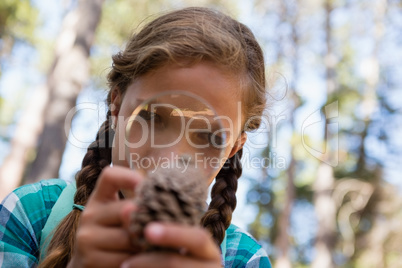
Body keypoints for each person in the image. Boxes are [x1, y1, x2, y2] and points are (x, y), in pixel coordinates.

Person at [0, 7, 271, 268]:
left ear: (233, 149)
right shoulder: (29, 215)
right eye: (152, 118)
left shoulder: (243, 260)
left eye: (209, 138)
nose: (169, 158)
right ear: (116, 105)